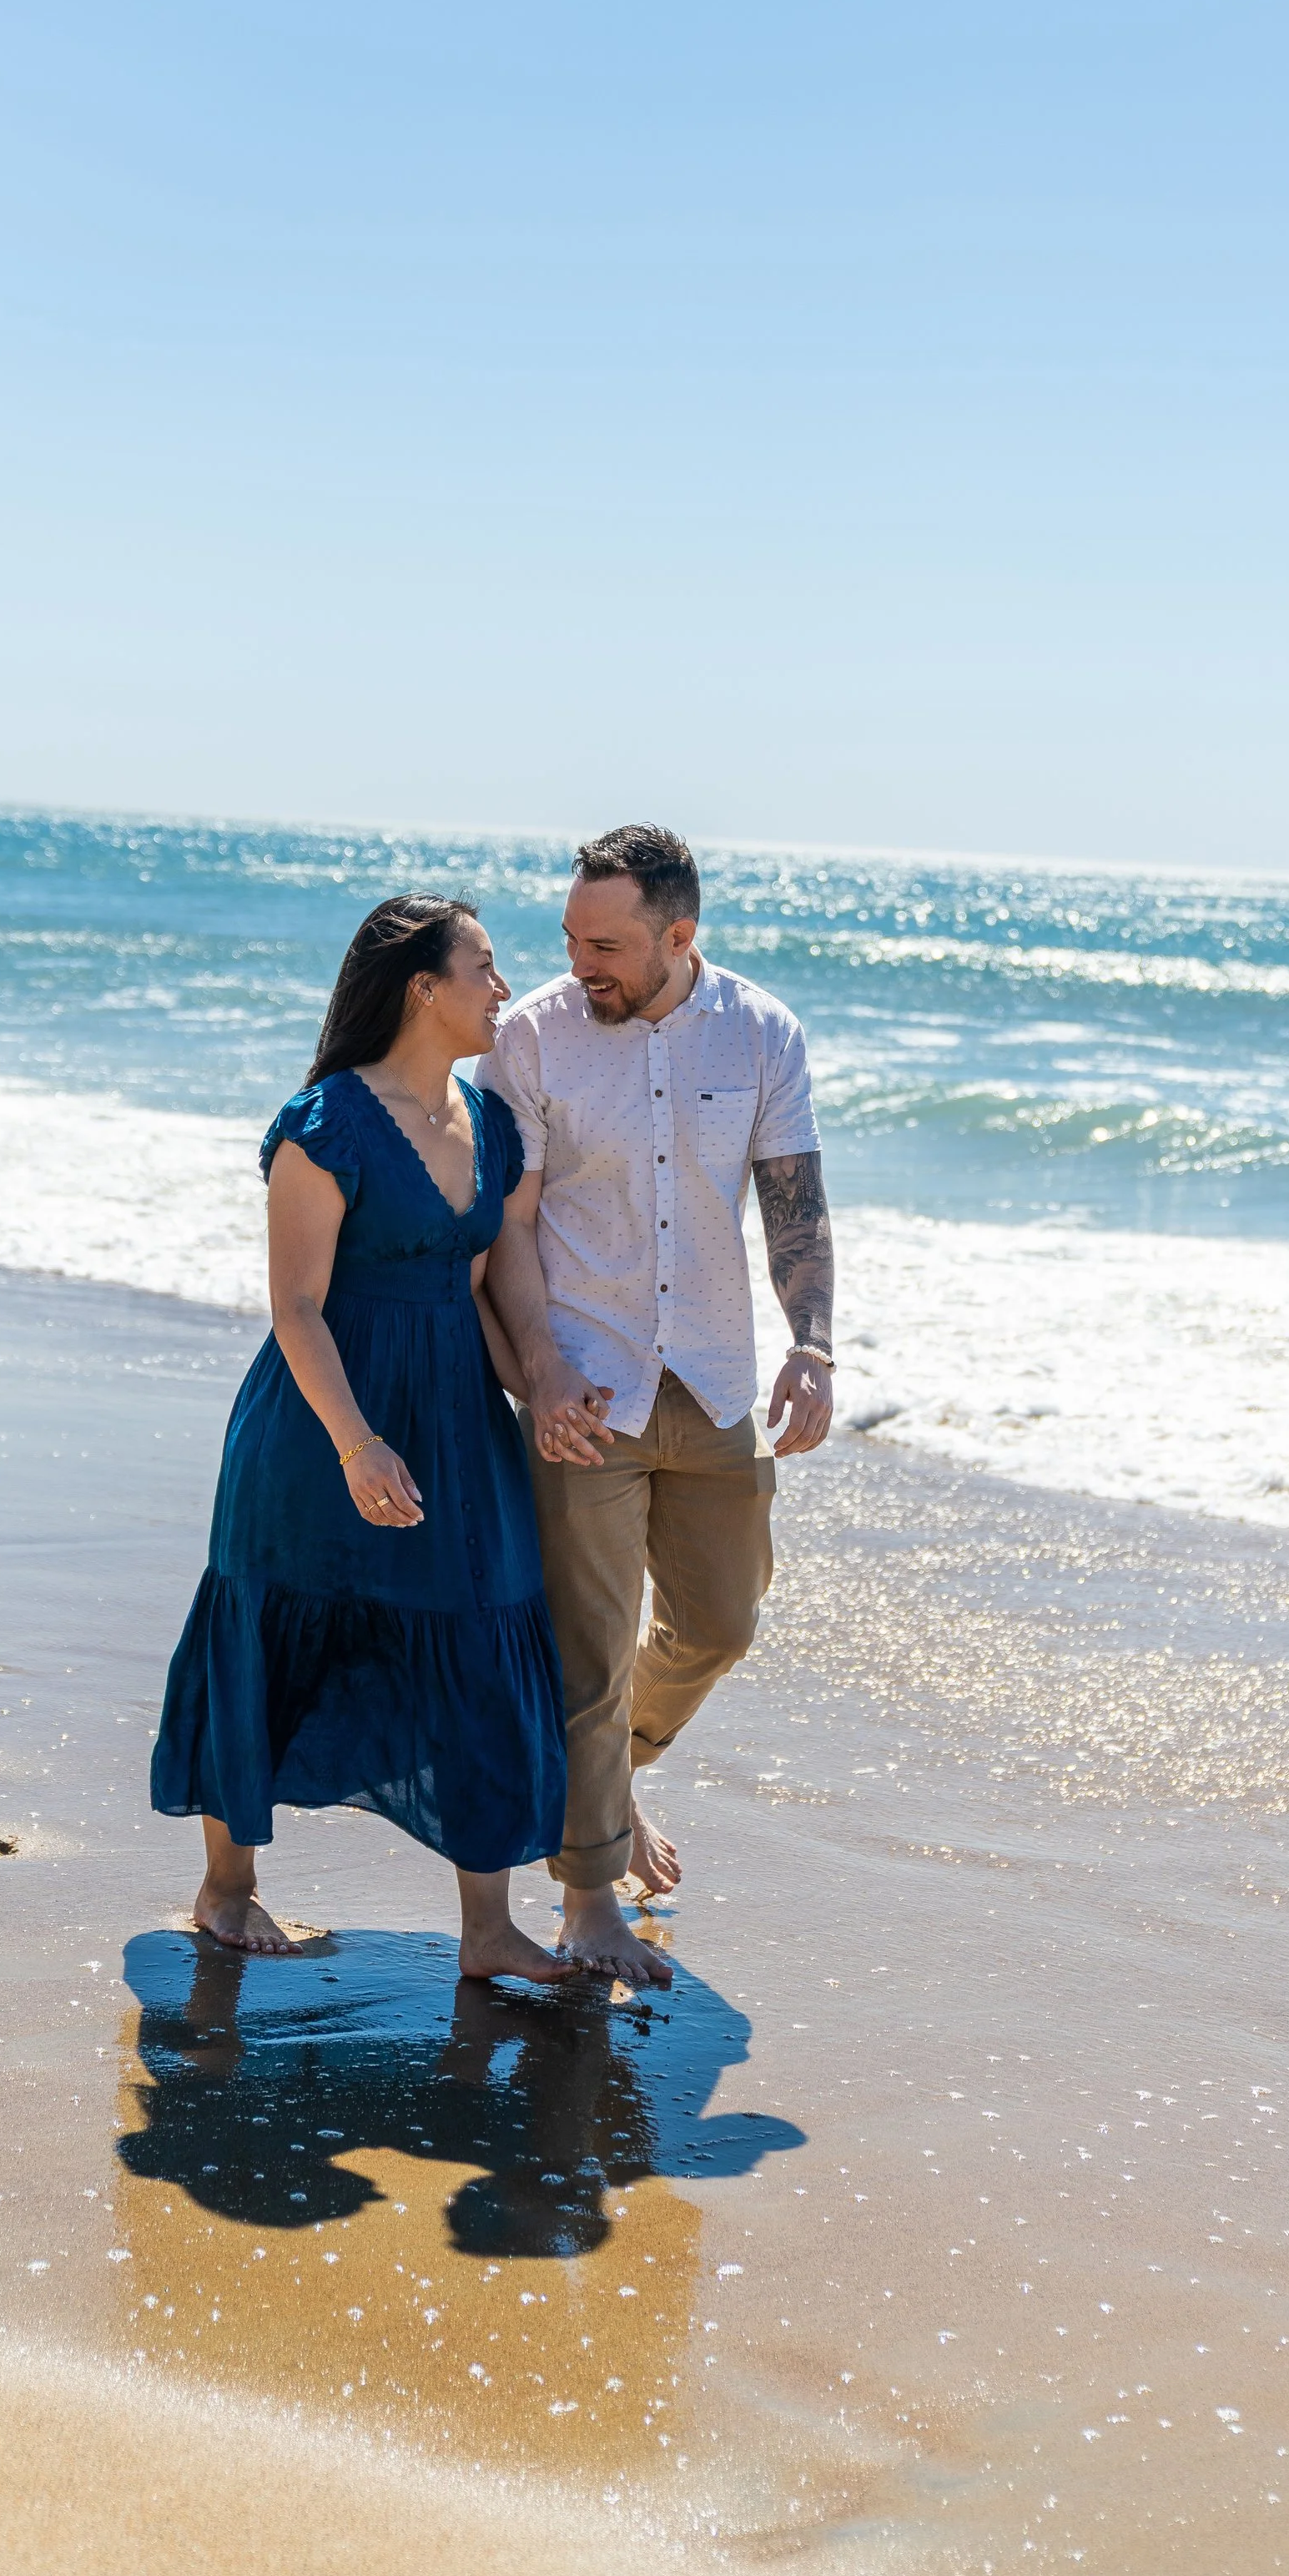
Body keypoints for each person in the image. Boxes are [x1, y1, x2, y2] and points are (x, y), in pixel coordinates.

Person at [151, 895, 570, 1979]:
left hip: (456, 1429)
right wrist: (356, 1443)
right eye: (483, 967)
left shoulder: (496, 1124)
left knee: (480, 1634)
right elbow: (296, 1307)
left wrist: (548, 1388)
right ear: (421, 989)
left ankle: (489, 1930)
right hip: (319, 1426)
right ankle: (227, 1886)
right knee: (278, 1632)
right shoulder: (326, 1125)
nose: (502, 987)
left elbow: (492, 1285)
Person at [481, 823, 836, 1989]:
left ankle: (605, 1788)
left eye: (611, 945)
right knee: (587, 1653)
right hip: (585, 1382)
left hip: (716, 1378)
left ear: (680, 936)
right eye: (575, 938)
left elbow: (795, 1203)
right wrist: (539, 1378)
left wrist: (814, 1346)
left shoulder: (763, 1030)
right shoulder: (531, 1037)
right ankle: (589, 1900)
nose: (584, 962)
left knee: (723, 1621)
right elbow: (508, 1227)